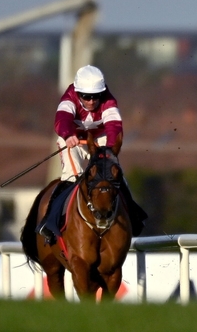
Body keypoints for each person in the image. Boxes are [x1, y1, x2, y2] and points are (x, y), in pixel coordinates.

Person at [37, 65, 147, 240]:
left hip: (101, 141)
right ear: (77, 92)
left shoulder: (109, 101)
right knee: (72, 176)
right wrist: (68, 135)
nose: (91, 101)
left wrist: (110, 149)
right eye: (85, 97)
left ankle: (133, 216)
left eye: (95, 96)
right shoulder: (69, 97)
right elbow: (62, 120)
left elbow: (114, 127)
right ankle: (51, 221)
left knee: (116, 175)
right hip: (74, 142)